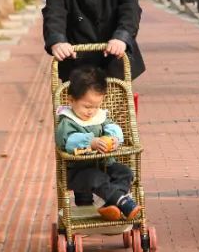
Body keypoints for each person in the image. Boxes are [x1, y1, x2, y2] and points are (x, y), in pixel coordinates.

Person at [43, 0, 144, 206]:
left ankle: (117, 187)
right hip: (76, 62)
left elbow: (130, 4)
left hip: (112, 58)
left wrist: (122, 35)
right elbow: (54, 9)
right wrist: (57, 40)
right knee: (77, 125)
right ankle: (85, 188)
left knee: (117, 130)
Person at [55, 66, 142, 221]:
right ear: (71, 100)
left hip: (104, 164)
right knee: (96, 177)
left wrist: (114, 138)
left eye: (96, 107)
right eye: (87, 106)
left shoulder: (99, 116)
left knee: (125, 172)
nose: (91, 112)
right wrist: (92, 141)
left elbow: (111, 126)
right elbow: (67, 141)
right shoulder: (67, 121)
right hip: (78, 172)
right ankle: (122, 202)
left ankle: (111, 204)